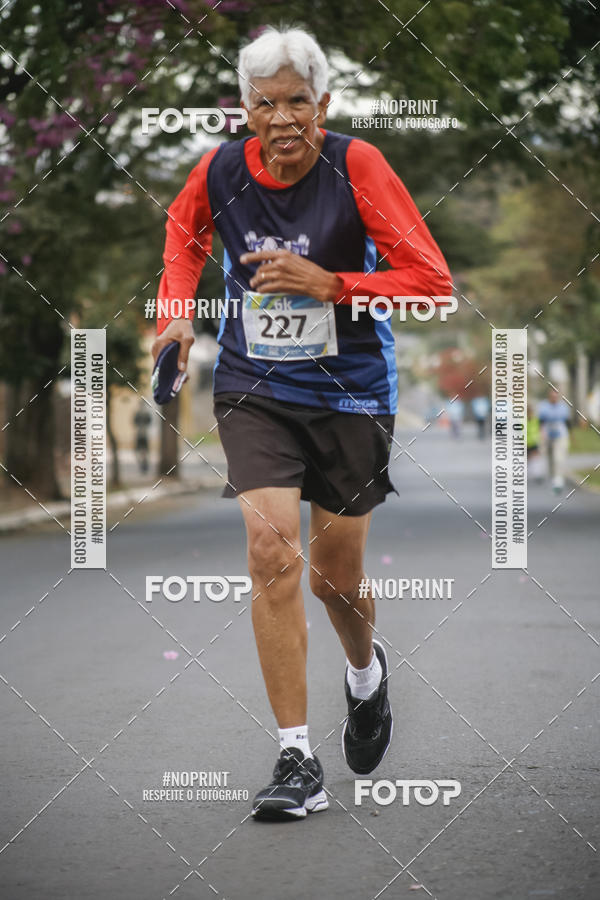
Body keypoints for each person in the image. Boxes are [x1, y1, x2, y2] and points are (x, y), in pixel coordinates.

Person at [152, 26, 451, 821]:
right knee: (270, 551)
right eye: (264, 103)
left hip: (351, 388)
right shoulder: (219, 168)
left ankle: (365, 675)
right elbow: (184, 238)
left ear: (325, 104)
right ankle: (296, 757)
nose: (281, 119)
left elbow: (429, 280)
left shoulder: (357, 166)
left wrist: (333, 283)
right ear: (242, 108)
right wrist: (176, 318)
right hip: (255, 387)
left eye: (297, 103)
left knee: (335, 578)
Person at [538, 388, 571, 493]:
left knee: (559, 458)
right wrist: (541, 433)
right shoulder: (543, 407)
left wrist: (572, 436)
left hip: (560, 435)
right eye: (552, 396)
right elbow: (541, 422)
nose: (554, 398)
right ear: (549, 397)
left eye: (556, 397)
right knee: (550, 458)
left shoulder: (563, 407)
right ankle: (553, 476)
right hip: (547, 434)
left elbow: (567, 422)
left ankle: (558, 480)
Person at [133, 399, 152, 474]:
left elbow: (134, 422)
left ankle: (144, 466)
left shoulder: (140, 414)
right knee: (142, 452)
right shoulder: (144, 414)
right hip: (142, 434)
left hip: (142, 434)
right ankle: (143, 466)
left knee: (142, 452)